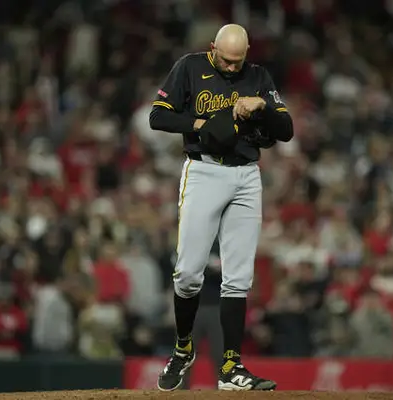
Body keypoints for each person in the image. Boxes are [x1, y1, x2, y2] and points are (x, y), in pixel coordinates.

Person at [149, 24, 293, 391]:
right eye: (225, 60)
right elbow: (158, 116)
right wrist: (202, 123)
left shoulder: (258, 77)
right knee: (187, 274)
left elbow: (285, 129)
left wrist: (262, 105)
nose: (230, 67)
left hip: (246, 174)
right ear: (213, 48)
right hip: (204, 170)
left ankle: (231, 367)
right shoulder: (190, 66)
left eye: (237, 61)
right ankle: (183, 348)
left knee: (239, 278)